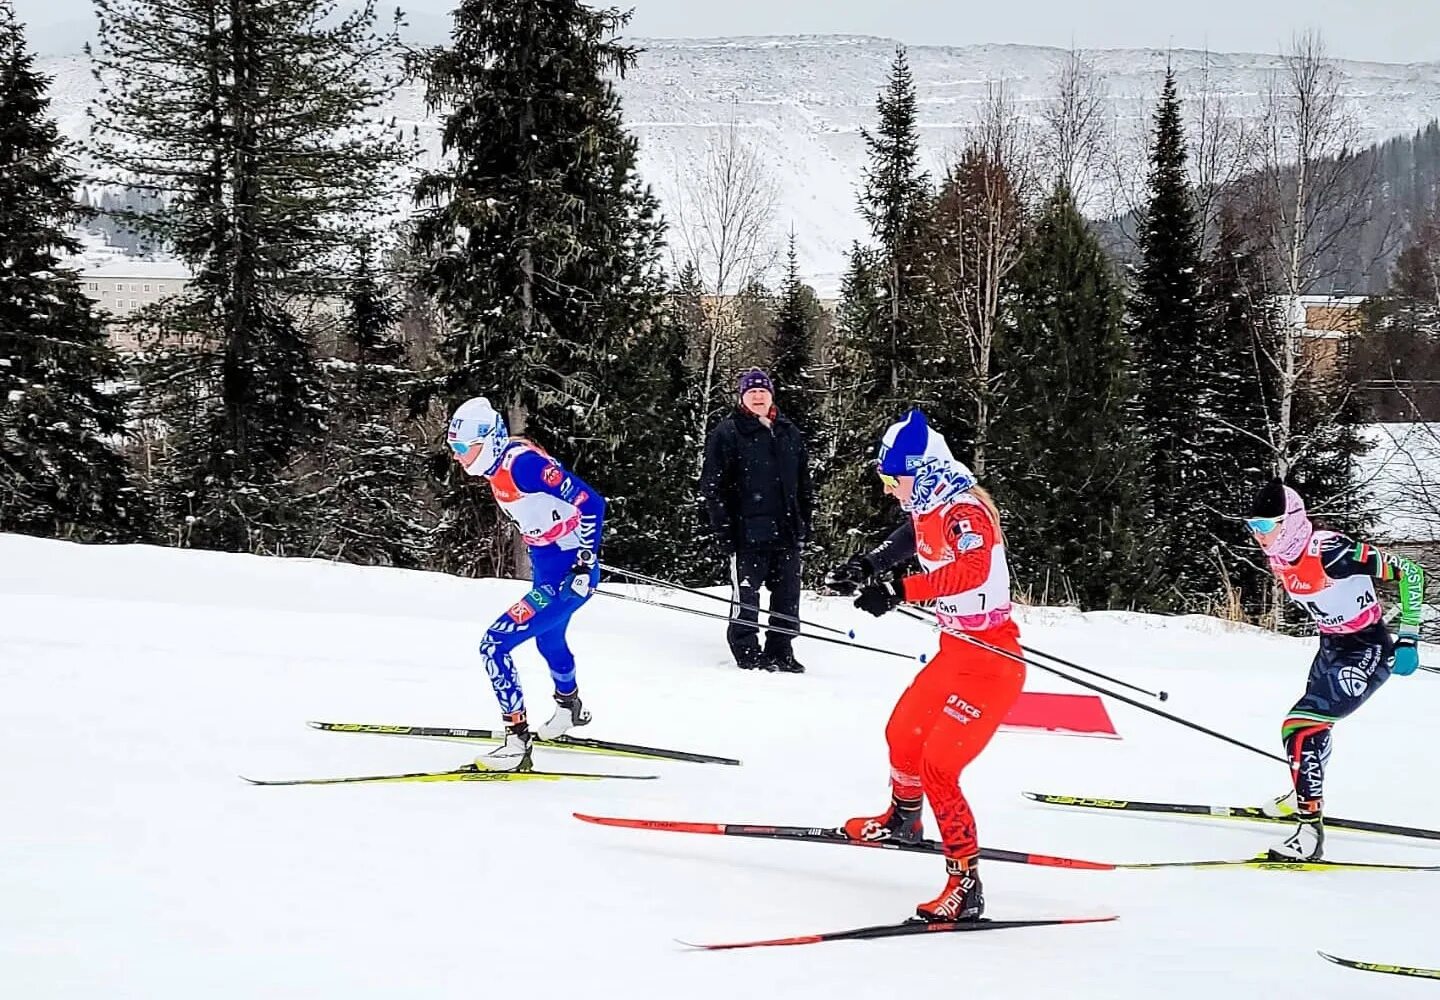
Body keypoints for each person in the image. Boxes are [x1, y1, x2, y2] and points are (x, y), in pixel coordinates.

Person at [823, 408, 1024, 922]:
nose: (891, 489)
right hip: (954, 651)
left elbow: (973, 569)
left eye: (895, 479)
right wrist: (868, 565)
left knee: (940, 766)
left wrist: (900, 590)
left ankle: (965, 885)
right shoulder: (931, 503)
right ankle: (902, 820)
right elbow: (912, 536)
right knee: (903, 735)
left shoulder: (965, 512)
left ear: (924, 471)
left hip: (992, 662)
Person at [1246, 479, 1425, 861]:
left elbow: (1410, 572)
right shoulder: (1280, 553)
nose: (1258, 535)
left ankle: (1310, 834)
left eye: (1265, 526)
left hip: (1367, 649)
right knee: (1312, 725)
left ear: (1290, 520)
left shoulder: (1332, 551)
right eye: (1253, 527)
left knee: (1299, 725)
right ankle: (1302, 793)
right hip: (1331, 646)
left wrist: (1409, 636)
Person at [446, 396, 606, 772]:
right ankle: (569, 708)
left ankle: (516, 741)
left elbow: (593, 503)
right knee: (548, 639)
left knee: (494, 644)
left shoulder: (524, 467)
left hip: (568, 575)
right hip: (548, 567)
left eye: (461, 447)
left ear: (487, 441)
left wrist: (584, 562)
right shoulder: (499, 462)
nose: (456, 456)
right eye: (453, 447)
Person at [700, 367, 813, 672]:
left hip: (786, 529)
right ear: (742, 398)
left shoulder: (789, 431)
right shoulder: (727, 432)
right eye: (752, 392)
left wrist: (805, 519)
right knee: (746, 594)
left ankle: (781, 648)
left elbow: (803, 482)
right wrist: (723, 528)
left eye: (763, 391)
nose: (758, 396)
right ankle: (746, 650)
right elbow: (713, 486)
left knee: (787, 593)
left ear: (771, 395)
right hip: (746, 531)